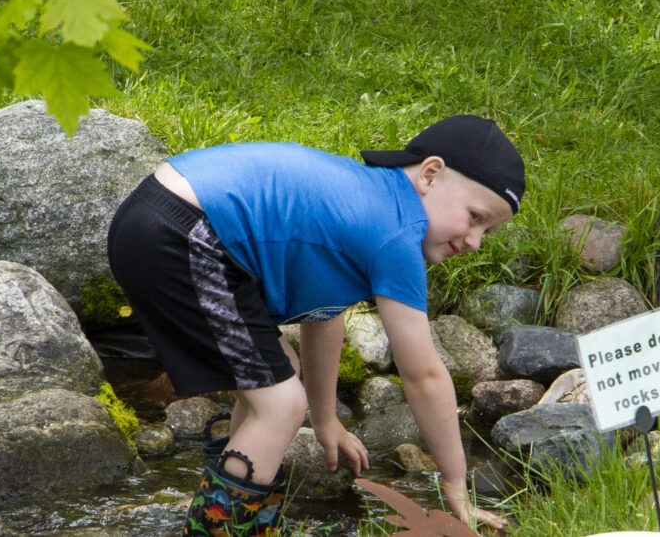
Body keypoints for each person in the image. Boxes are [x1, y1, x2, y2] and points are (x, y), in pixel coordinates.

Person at [107, 115, 523, 536]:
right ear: (430, 175)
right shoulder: (398, 233)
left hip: (163, 217)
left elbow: (323, 315)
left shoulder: (370, 202)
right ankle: (220, 531)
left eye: (487, 230)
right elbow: (424, 374)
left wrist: (326, 419)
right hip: (184, 230)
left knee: (274, 373)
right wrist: (455, 484)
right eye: (474, 217)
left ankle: (240, 522)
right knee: (281, 403)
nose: (475, 241)